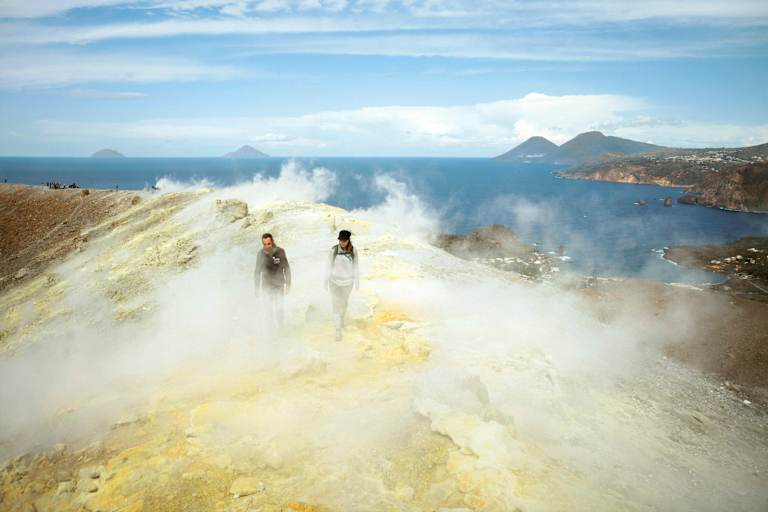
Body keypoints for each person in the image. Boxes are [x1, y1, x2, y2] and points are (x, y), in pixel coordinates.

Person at [254, 233, 291, 335]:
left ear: (273, 242)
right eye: (264, 244)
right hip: (266, 287)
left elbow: (286, 268)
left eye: (269, 244)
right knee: (268, 311)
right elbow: (257, 272)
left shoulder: (280, 252)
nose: (267, 246)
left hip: (279, 285)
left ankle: (281, 331)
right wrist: (257, 288)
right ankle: (271, 333)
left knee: (279, 309)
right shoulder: (260, 254)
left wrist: (288, 284)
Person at [326, 230, 359, 341]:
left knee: (344, 304)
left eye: (344, 240)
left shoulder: (353, 251)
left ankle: (342, 320)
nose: (342, 242)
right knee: (335, 304)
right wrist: (325, 281)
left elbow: (356, 266)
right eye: (340, 240)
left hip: (348, 283)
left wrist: (357, 282)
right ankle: (338, 329)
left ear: (348, 240)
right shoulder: (334, 250)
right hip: (334, 282)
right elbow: (328, 266)